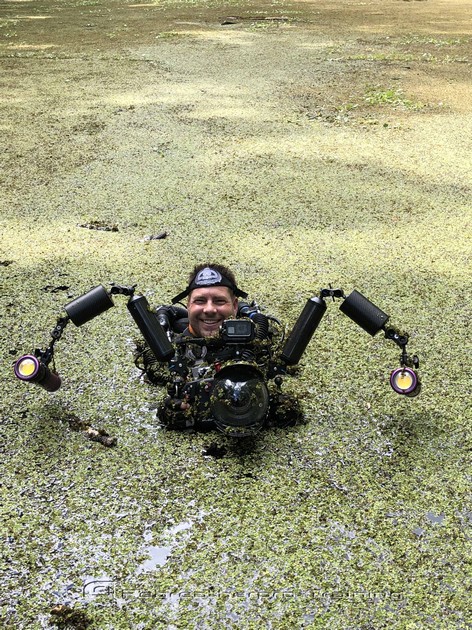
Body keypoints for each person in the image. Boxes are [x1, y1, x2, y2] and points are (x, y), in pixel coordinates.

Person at [134, 263, 302, 432]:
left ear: (235, 306)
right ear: (189, 305)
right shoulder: (168, 349)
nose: (209, 309)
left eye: (219, 301)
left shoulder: (260, 342)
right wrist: (170, 413)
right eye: (200, 301)